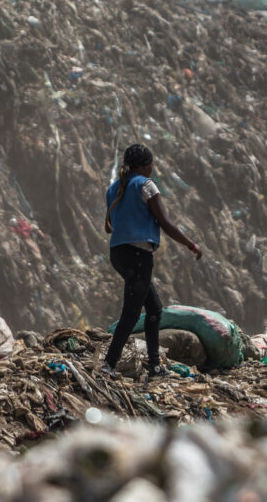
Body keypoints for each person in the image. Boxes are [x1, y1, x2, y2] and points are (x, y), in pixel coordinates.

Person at [101, 144, 202, 379]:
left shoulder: (113, 189)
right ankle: (108, 365)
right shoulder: (146, 185)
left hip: (119, 253)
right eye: (151, 165)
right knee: (131, 314)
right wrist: (191, 244)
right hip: (138, 255)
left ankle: (155, 367)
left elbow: (114, 223)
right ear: (146, 166)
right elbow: (166, 224)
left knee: (154, 308)